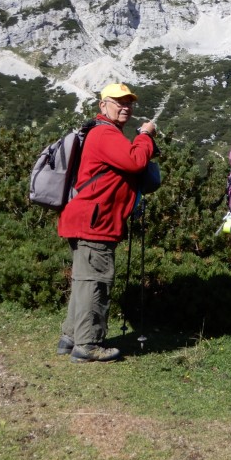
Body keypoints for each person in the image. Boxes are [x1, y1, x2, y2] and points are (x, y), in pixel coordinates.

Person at [56, 83, 157, 363]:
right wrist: (146, 137)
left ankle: (71, 337)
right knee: (96, 282)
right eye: (119, 102)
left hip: (86, 218)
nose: (126, 106)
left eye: (129, 102)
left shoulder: (101, 133)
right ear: (103, 106)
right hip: (95, 222)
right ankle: (88, 345)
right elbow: (136, 162)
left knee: (83, 281)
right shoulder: (105, 133)